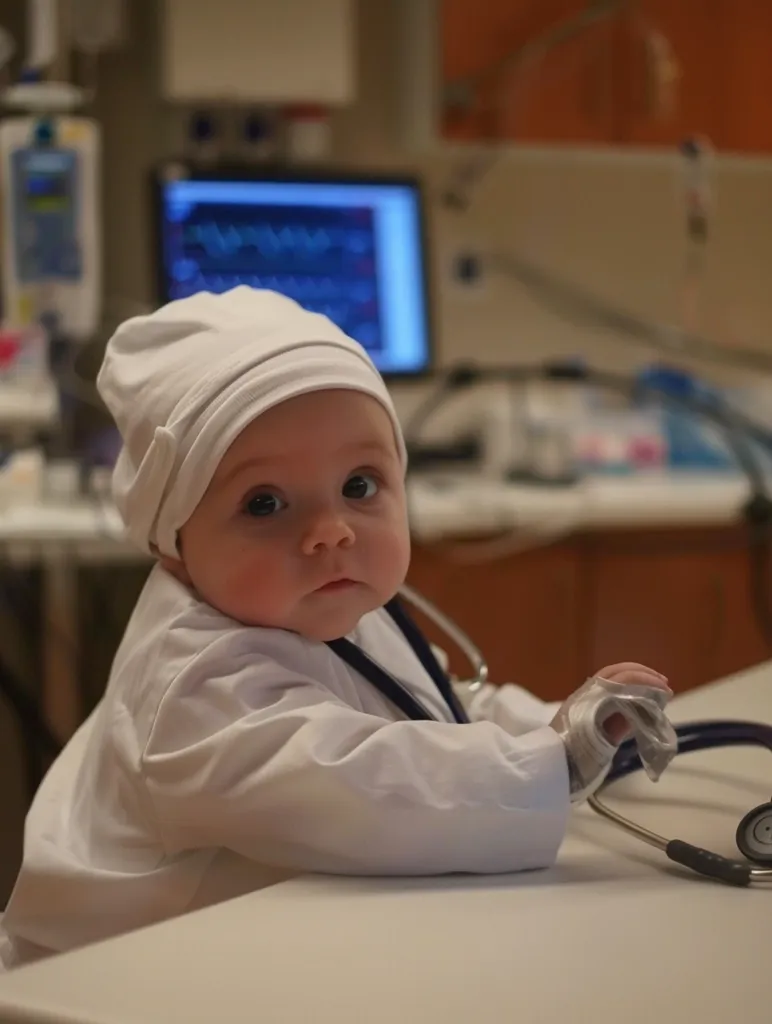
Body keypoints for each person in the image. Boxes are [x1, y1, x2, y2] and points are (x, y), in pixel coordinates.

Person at [0, 287, 671, 969]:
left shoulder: (323, 606)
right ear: (170, 542)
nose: (330, 531)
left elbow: (435, 706)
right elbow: (361, 785)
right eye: (264, 503)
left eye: (359, 485)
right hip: (109, 980)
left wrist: (564, 723)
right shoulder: (191, 689)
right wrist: (552, 763)